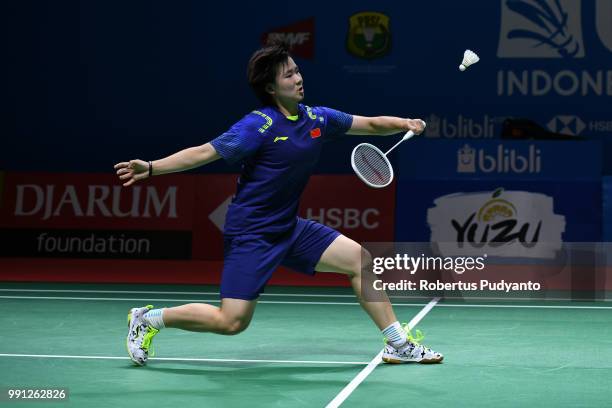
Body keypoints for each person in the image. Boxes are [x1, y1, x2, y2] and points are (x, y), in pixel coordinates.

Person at [114, 43, 443, 366]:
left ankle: (398, 344)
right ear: (271, 87)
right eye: (289, 75)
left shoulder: (317, 118)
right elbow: (205, 152)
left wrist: (403, 123)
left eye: (297, 71)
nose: (298, 78)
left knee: (360, 260)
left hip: (289, 226)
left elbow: (368, 124)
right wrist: (154, 167)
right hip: (252, 233)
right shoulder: (258, 126)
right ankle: (149, 319)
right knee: (232, 322)